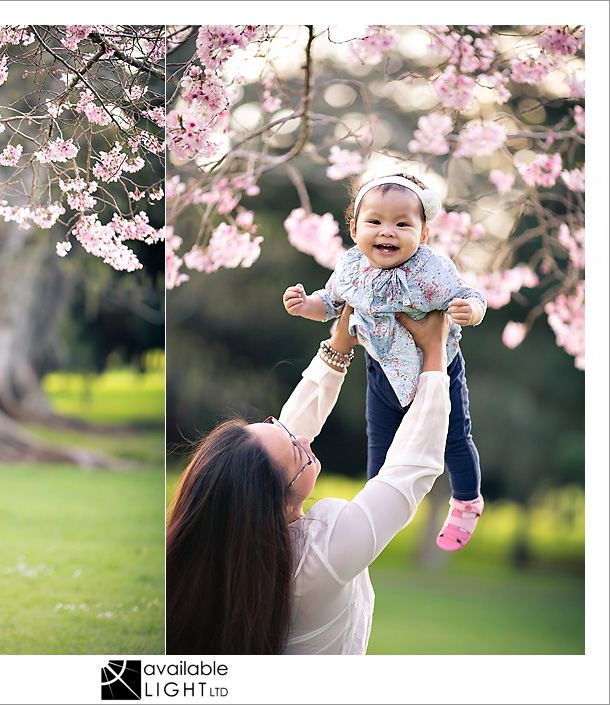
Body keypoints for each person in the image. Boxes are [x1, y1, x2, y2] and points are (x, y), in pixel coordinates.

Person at [166, 305, 452, 654]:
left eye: (274, 426)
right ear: (276, 503)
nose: (303, 440)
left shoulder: (222, 552)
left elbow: (284, 441)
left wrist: (339, 346)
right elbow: (410, 469)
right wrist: (436, 357)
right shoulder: (322, 555)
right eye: (298, 452)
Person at [283, 173, 486, 551]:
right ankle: (377, 507)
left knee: (454, 439)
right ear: (354, 226)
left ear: (423, 234)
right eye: (375, 221)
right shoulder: (350, 268)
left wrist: (469, 310)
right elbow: (330, 304)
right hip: (381, 372)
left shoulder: (434, 270)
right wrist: (305, 305)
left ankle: (467, 499)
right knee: (380, 442)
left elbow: (470, 294)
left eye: (402, 224)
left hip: (440, 370)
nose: (387, 232)